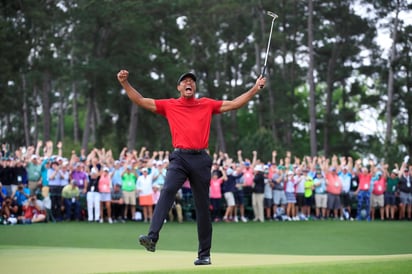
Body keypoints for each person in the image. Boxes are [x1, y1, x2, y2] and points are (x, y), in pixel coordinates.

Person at [117, 69, 265, 265]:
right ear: (179, 87)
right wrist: (125, 83)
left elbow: (234, 104)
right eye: (185, 81)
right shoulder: (170, 105)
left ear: (194, 87)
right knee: (168, 189)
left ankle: (204, 255)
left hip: (201, 159)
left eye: (192, 81)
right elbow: (142, 101)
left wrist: (255, 89)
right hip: (179, 157)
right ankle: (152, 238)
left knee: (203, 206)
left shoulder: (206, 104)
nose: (189, 83)